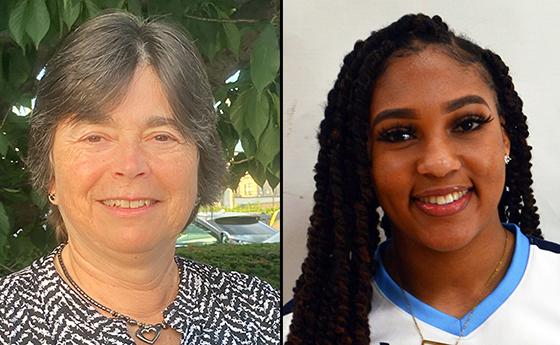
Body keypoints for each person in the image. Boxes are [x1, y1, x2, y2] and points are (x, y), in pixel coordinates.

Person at [0, 11, 279, 345]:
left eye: (162, 136)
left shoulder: (264, 311)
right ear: (51, 176)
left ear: (201, 161)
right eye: (95, 137)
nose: (130, 165)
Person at [283, 13, 560, 344]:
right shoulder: (309, 329)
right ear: (363, 160)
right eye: (399, 134)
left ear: (504, 137)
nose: (438, 163)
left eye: (467, 124)